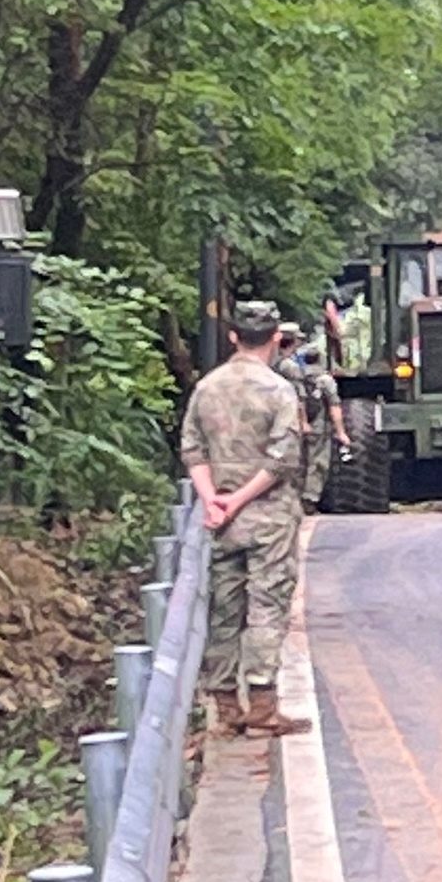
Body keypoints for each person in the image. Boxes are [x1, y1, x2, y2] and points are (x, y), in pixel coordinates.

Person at [179, 298, 312, 738]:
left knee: (224, 609)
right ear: (276, 338)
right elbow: (282, 459)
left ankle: (224, 708)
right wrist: (239, 500)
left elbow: (192, 449)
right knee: (267, 607)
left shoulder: (207, 388)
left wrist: (214, 500)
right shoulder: (279, 391)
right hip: (269, 517)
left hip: (221, 520)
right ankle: (262, 703)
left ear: (233, 336)